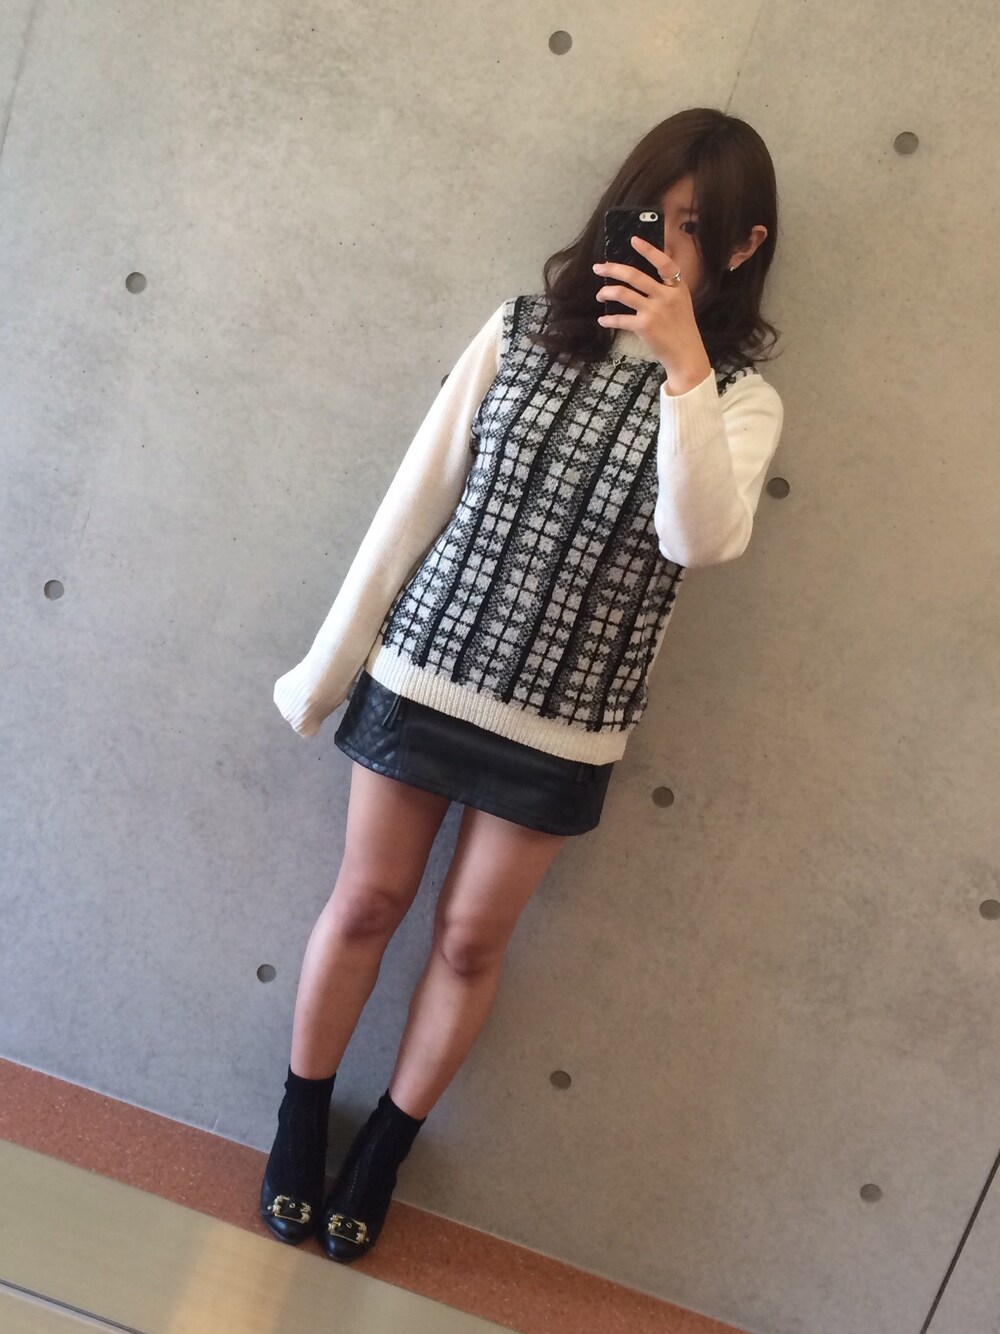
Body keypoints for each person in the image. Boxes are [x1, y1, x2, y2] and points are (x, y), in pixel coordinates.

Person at [260, 106, 785, 1263]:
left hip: (565, 724)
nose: (665, 244)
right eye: (652, 213)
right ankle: (300, 1116)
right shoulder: (519, 329)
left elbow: (698, 538)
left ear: (742, 246)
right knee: (366, 902)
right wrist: (328, 669)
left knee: (465, 942)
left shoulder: (741, 399)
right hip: (425, 670)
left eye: (695, 227)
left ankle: (384, 1148)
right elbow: (412, 506)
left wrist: (684, 366)